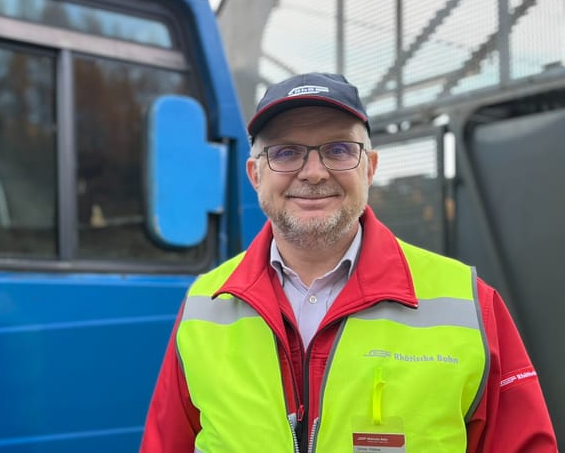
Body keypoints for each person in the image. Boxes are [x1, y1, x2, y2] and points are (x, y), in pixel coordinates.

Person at [140, 73, 557, 452]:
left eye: (339, 150)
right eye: (286, 153)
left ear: (370, 168)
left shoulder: (470, 304)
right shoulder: (204, 303)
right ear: (255, 175)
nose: (315, 172)